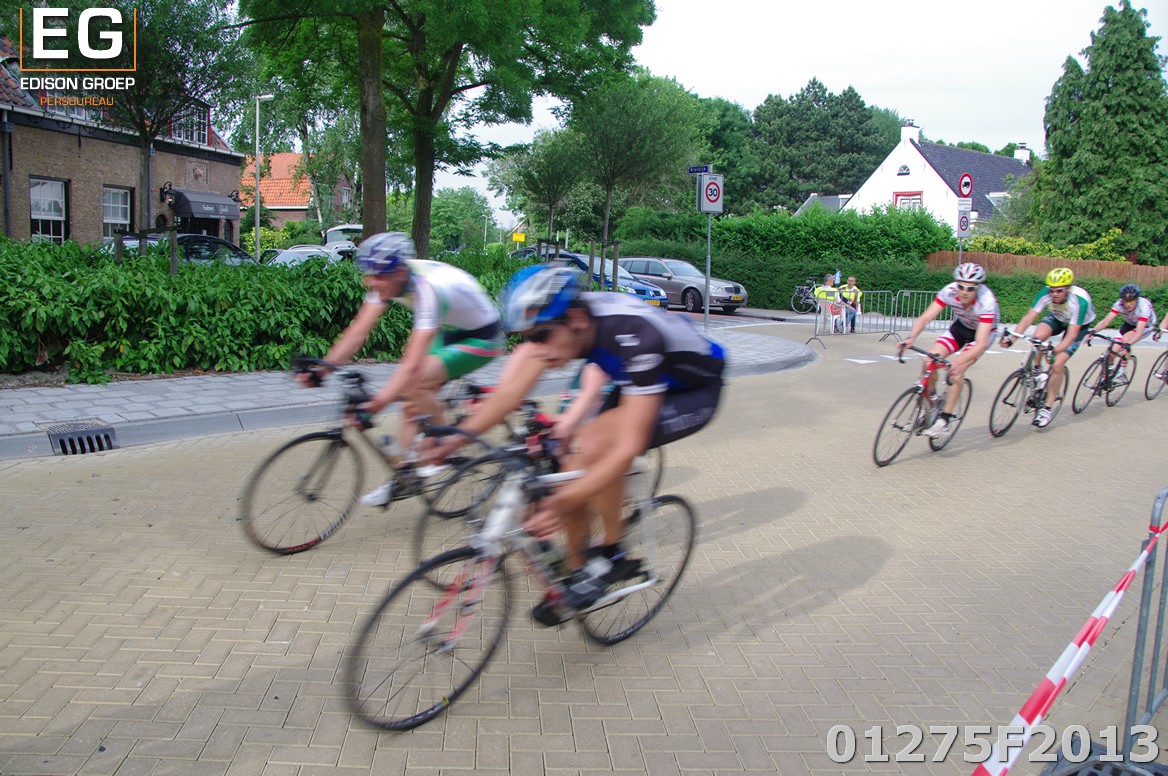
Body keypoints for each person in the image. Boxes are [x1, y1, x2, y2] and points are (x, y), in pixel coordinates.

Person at [431, 265, 725, 625]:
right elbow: (509, 394)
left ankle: (612, 555)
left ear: (575, 320)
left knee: (595, 446)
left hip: (693, 389)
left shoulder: (632, 334)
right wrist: (454, 440)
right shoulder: (563, 326)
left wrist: (560, 503)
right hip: (638, 380)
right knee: (570, 468)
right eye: (527, 338)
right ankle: (579, 572)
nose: (535, 348)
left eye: (540, 336)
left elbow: (627, 445)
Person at [302, 231, 504, 505]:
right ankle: (404, 475)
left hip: (483, 337)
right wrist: (324, 368)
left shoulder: (427, 289)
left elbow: (410, 365)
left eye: (378, 276)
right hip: (452, 330)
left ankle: (444, 444)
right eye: (368, 275)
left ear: (399, 272)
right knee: (412, 402)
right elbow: (358, 331)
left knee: (414, 382)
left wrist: (376, 404)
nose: (371, 282)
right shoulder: (389, 282)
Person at [897, 263, 1000, 438]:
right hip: (961, 327)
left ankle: (945, 420)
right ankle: (933, 401)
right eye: (961, 286)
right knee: (929, 361)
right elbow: (926, 317)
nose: (964, 292)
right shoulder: (949, 291)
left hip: (983, 333)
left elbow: (981, 343)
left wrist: (959, 361)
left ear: (978, 288)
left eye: (970, 288)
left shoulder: (986, 301)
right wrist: (911, 337)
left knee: (956, 372)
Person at [999, 267, 1096, 429]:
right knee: (1037, 338)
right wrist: (1012, 339)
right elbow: (1028, 318)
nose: (1054, 294)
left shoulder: (1080, 301)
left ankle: (1047, 409)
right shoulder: (1045, 293)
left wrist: (1054, 351)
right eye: (1052, 290)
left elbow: (1071, 336)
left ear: (1068, 289)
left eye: (1059, 291)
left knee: (1057, 364)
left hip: (1077, 326)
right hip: (1057, 317)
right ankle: (1038, 372)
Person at [1084, 283, 1156, 384]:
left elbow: (1139, 332)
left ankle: (1122, 373)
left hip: (1145, 326)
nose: (1128, 304)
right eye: (1125, 301)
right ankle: (1105, 380)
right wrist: (1093, 331)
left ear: (1137, 299)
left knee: (1126, 340)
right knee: (1110, 353)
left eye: (1131, 301)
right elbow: (1106, 321)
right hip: (1129, 323)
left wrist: (1128, 344)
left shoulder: (1143, 308)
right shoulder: (1119, 304)